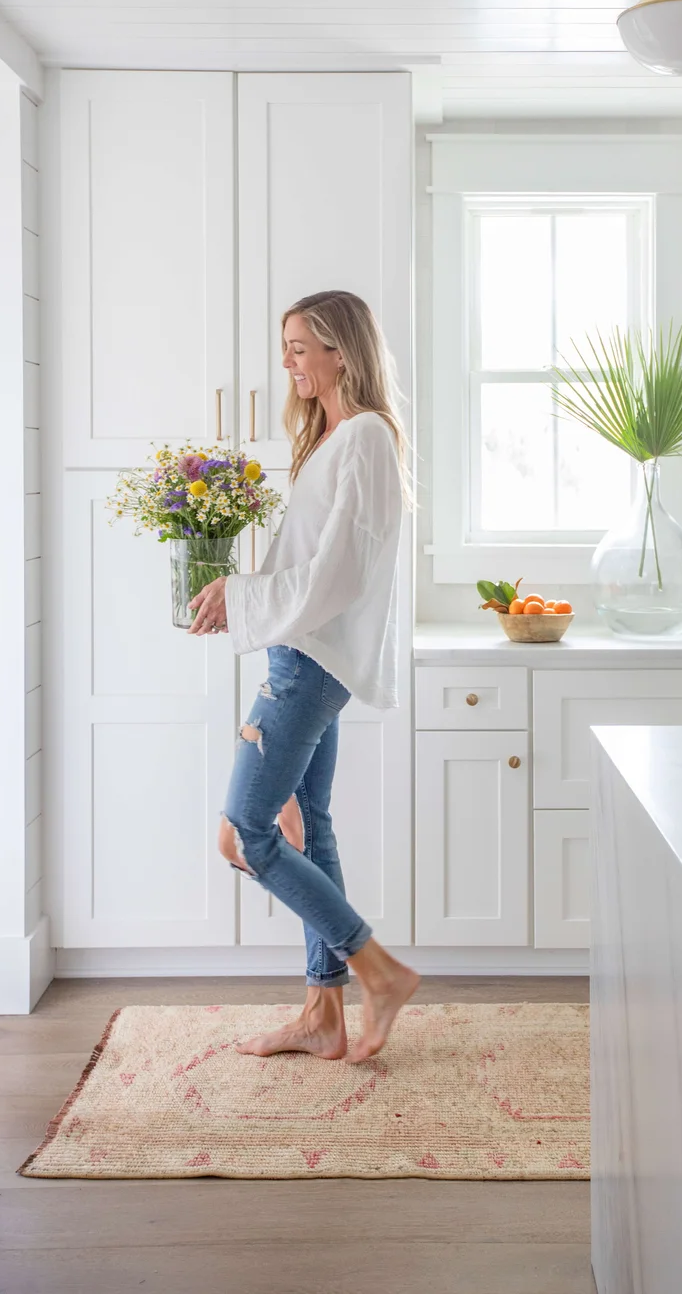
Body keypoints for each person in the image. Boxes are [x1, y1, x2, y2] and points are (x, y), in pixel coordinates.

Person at [187, 290, 419, 1063]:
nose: (286, 362)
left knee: (243, 833)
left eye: (298, 347)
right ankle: (323, 1012)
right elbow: (316, 564)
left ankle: (378, 970)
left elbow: (339, 574)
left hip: (308, 665)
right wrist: (241, 590)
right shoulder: (336, 438)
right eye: (285, 347)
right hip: (303, 656)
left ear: (340, 352)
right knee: (304, 826)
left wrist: (241, 593)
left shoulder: (365, 438)